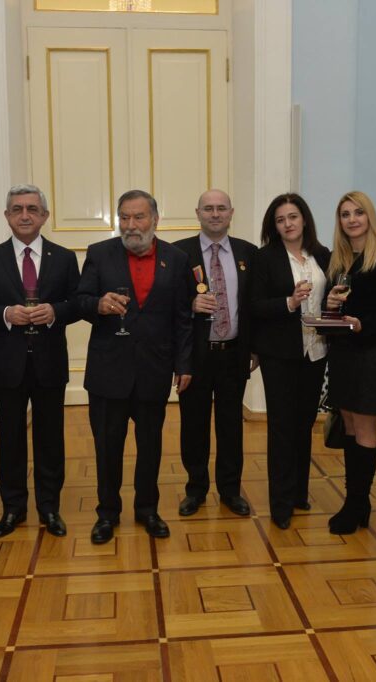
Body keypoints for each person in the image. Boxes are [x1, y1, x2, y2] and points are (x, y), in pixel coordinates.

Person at [76, 189, 193, 544]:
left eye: (139, 217)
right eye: (124, 217)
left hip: (154, 370)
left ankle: (147, 509)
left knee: (150, 447)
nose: (131, 225)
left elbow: (183, 318)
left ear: (155, 219)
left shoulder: (176, 258)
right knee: (107, 449)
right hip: (108, 371)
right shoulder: (99, 253)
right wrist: (98, 304)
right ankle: (107, 513)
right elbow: (79, 301)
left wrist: (184, 364)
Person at [0, 185, 81, 538]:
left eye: (32, 209)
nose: (25, 215)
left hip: (50, 363)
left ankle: (50, 508)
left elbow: (79, 303)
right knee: (11, 440)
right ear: (7, 216)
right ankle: (13, 509)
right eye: (17, 209)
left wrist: (54, 311)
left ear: (44, 216)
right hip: (8, 365)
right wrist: (5, 313)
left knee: (50, 440)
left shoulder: (64, 258)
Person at [323, 191, 376, 534]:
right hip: (343, 352)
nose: (352, 219)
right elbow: (331, 313)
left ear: (369, 216)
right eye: (345, 214)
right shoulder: (338, 261)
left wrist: (364, 325)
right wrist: (330, 305)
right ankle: (357, 501)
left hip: (373, 352)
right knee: (348, 424)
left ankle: (356, 502)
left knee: (364, 426)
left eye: (358, 212)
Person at [174, 189, 257, 518]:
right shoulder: (179, 253)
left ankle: (230, 490)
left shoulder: (248, 253)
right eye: (208, 208)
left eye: (221, 208)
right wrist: (189, 303)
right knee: (193, 426)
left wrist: (254, 348)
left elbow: (254, 306)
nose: (215, 214)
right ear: (197, 213)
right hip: (195, 356)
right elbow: (165, 304)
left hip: (233, 353)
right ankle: (195, 490)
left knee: (231, 425)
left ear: (231, 213)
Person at [250, 193, 330, 530]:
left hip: (316, 352)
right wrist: (289, 302)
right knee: (282, 428)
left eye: (293, 217)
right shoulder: (264, 258)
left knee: (304, 424)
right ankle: (280, 503)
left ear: (304, 219)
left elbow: (332, 297)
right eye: (281, 219)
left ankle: (299, 493)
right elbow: (254, 306)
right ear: (274, 225)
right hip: (280, 355)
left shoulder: (322, 255)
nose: (288, 224)